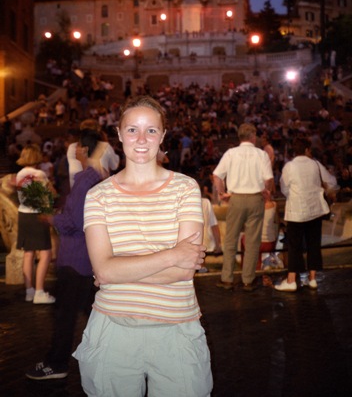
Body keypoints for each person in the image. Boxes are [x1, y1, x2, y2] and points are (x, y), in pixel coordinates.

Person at [73, 95, 213, 397]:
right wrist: (173, 255)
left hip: (177, 330)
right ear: (119, 133)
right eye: (133, 129)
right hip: (113, 330)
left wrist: (117, 271)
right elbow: (105, 270)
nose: (141, 138)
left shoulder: (185, 187)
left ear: (162, 136)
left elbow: (185, 270)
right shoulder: (98, 195)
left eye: (151, 130)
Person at [25, 130, 108, 381]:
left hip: (76, 257)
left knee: (65, 317)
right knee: (89, 312)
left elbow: (77, 220)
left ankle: (57, 363)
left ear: (83, 149)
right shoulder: (97, 178)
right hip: (86, 258)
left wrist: (52, 218)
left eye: (77, 146)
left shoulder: (86, 180)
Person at [213, 123, 274, 291]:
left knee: (231, 239)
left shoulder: (231, 153)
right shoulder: (261, 154)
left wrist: (222, 193)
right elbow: (268, 178)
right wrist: (266, 191)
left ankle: (227, 278)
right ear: (253, 136)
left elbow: (217, 175)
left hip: (236, 199)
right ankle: (248, 280)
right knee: (253, 241)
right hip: (255, 199)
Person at [275, 138, 337, 292]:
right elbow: (332, 182)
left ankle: (291, 280)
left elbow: (284, 188)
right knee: (314, 244)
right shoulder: (315, 164)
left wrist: (295, 195)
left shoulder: (289, 166)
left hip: (297, 210)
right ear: (307, 149)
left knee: (294, 246)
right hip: (315, 209)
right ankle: (313, 278)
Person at [15, 145, 56, 304]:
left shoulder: (20, 174)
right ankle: (40, 291)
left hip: (23, 214)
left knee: (28, 253)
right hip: (38, 214)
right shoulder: (40, 174)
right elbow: (51, 193)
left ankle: (29, 291)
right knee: (45, 253)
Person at [66, 118, 120, 188]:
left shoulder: (71, 148)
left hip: (77, 193)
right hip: (98, 195)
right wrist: (105, 140)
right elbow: (115, 166)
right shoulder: (105, 146)